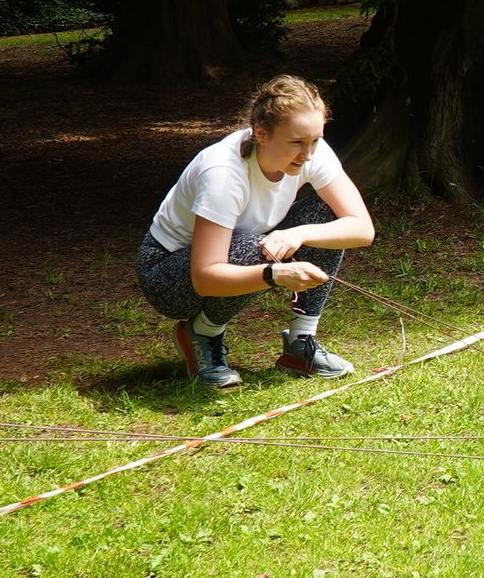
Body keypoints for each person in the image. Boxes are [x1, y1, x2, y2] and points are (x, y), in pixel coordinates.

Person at [137, 76, 375, 388]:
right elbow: (205, 276)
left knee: (324, 217)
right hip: (167, 275)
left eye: (315, 140)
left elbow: (362, 228)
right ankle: (202, 332)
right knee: (256, 247)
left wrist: (299, 234)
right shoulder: (223, 173)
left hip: (240, 248)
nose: (308, 154)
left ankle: (300, 344)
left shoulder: (311, 151)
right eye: (297, 143)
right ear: (261, 133)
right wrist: (273, 274)